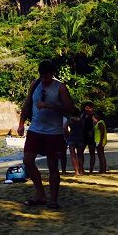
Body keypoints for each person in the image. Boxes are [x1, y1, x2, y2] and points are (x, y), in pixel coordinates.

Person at [18, 59, 76, 209]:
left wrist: (50, 105)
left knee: (53, 166)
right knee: (27, 160)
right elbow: (27, 104)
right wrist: (21, 123)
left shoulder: (60, 88)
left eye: (47, 76)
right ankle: (40, 194)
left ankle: (53, 200)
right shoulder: (35, 84)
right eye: (42, 76)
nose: (44, 79)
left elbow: (70, 108)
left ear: (52, 74)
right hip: (35, 129)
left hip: (54, 132)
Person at [64, 110, 85, 175]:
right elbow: (83, 127)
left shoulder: (70, 120)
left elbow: (64, 127)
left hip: (72, 137)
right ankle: (81, 170)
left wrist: (68, 133)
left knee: (73, 155)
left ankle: (76, 171)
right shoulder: (81, 120)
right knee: (80, 155)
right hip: (80, 137)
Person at [78, 102, 97, 174]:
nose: (87, 109)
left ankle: (91, 169)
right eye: (86, 108)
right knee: (80, 152)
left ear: (92, 108)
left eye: (88, 108)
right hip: (83, 135)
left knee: (92, 153)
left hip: (91, 135)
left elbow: (96, 123)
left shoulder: (93, 115)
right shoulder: (82, 115)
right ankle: (81, 169)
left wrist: (91, 131)